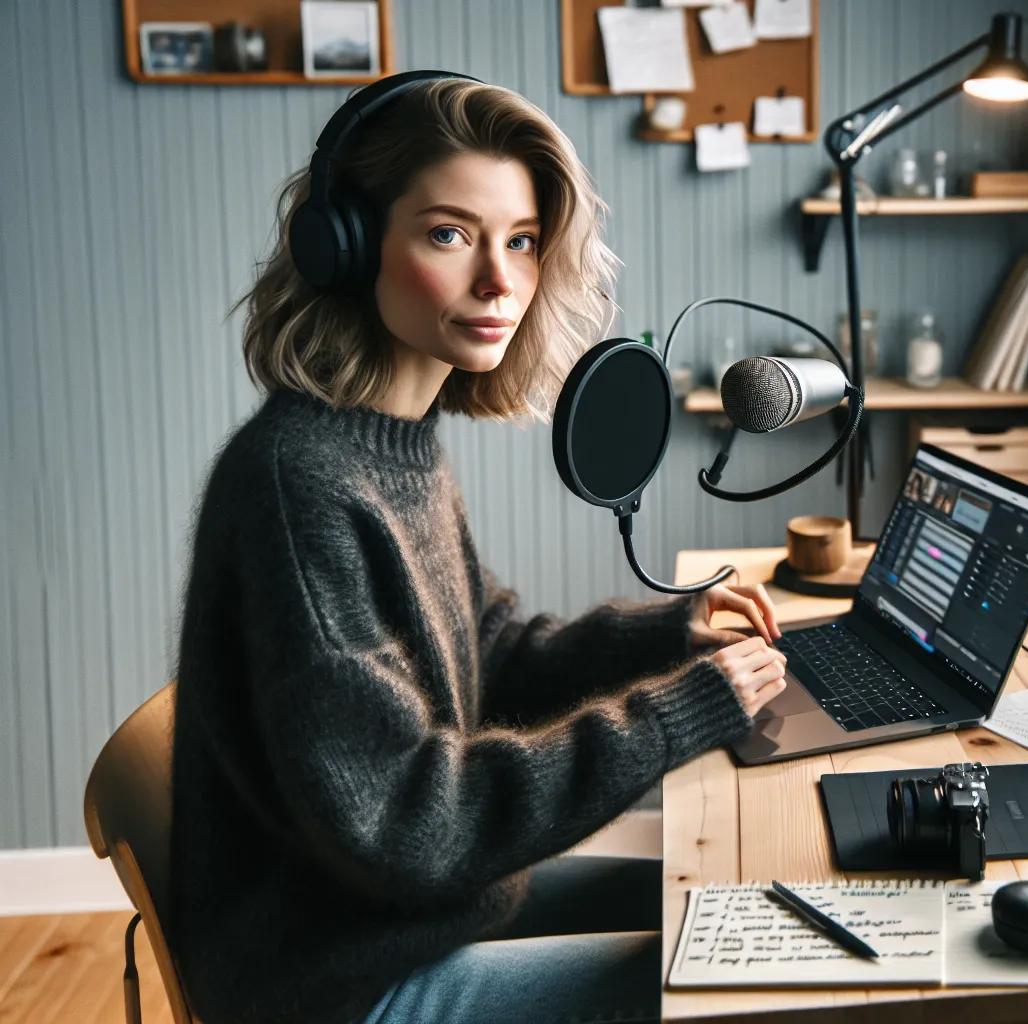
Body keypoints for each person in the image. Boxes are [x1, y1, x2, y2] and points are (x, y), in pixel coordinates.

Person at [168, 74, 791, 1024]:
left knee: (754, 912)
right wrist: (679, 716)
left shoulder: (392, 442)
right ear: (344, 245)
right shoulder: (298, 485)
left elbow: (488, 654)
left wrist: (669, 632)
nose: (500, 280)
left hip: (410, 918)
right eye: (450, 234)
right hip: (336, 983)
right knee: (753, 980)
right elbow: (407, 823)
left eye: (524, 241)